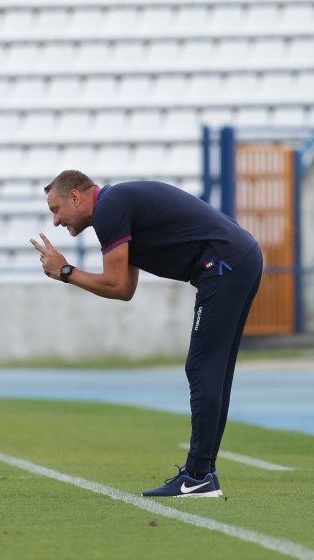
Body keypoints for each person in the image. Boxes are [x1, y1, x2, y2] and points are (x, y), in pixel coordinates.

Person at [30, 170, 262, 498]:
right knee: (212, 370)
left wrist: (66, 271)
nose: (55, 221)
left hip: (224, 263)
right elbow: (124, 288)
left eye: (56, 210)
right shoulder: (114, 208)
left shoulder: (110, 208)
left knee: (202, 368)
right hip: (238, 257)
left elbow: (114, 284)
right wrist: (68, 273)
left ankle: (198, 475)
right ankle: (202, 472)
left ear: (76, 197)